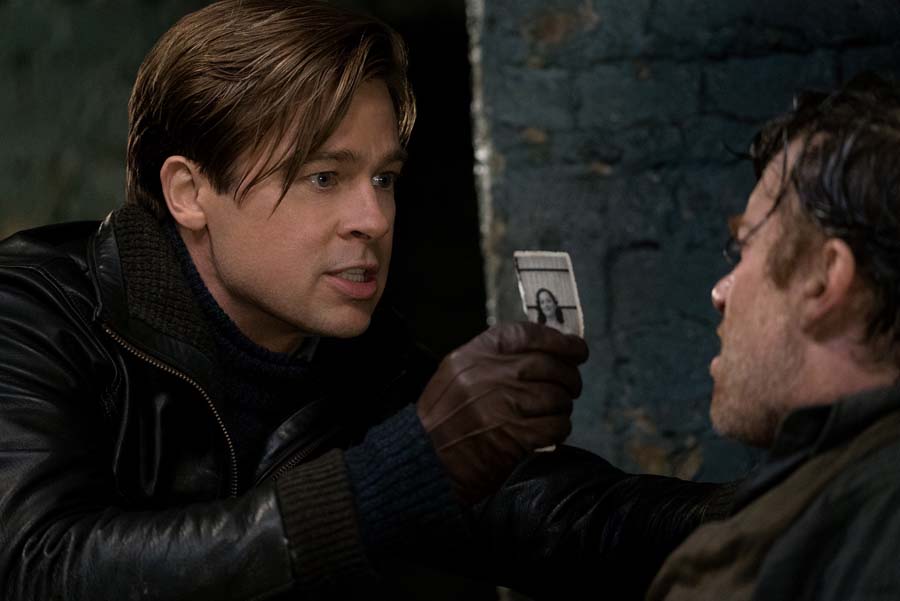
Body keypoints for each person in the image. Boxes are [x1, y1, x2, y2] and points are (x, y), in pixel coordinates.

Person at [0, 2, 590, 599]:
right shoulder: (33, 313)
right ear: (189, 192)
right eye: (324, 177)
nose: (374, 219)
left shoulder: (369, 365)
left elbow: (556, 514)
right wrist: (396, 474)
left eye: (384, 179)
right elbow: (36, 569)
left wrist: (664, 527)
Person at [471, 73, 900, 600]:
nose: (720, 292)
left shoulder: (861, 535)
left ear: (824, 277)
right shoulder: (826, 497)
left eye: (743, 248)